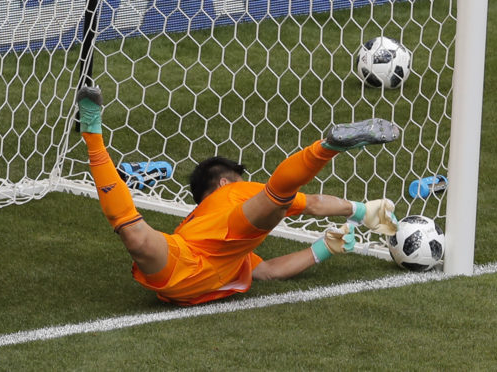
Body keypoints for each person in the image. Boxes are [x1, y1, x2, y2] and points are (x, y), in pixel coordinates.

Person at [76, 86, 399, 306]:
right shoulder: (234, 192)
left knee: (133, 232)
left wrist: (325, 248)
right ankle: (326, 147)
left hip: (177, 267)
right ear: (224, 183)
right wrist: (360, 210)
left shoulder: (228, 247)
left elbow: (269, 271)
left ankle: (92, 132)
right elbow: (312, 203)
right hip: (193, 254)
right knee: (279, 193)